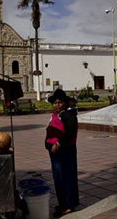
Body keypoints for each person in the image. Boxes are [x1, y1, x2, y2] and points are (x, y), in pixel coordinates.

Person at [46, 89, 79, 217]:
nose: (57, 105)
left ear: (65, 103)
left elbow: (70, 133)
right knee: (59, 178)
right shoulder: (58, 114)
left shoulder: (68, 115)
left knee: (65, 177)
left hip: (64, 150)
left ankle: (68, 205)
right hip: (56, 150)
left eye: (60, 102)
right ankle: (65, 203)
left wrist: (58, 144)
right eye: (55, 103)